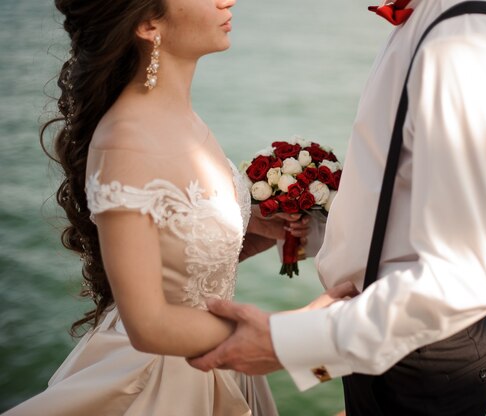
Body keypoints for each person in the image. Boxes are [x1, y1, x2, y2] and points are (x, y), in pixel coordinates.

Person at [187, 0, 486, 414]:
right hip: (383, 336)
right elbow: (402, 202)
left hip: (420, 357)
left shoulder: (469, 48)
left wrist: (287, 344)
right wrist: (309, 232)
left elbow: (464, 275)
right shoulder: (434, 28)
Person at [2, 0, 358, 415]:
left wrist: (241, 238)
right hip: (162, 384)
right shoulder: (126, 140)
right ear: (148, 22)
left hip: (211, 363)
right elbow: (148, 324)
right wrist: (296, 333)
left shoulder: (179, 116)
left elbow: (173, 260)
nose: (228, 0)